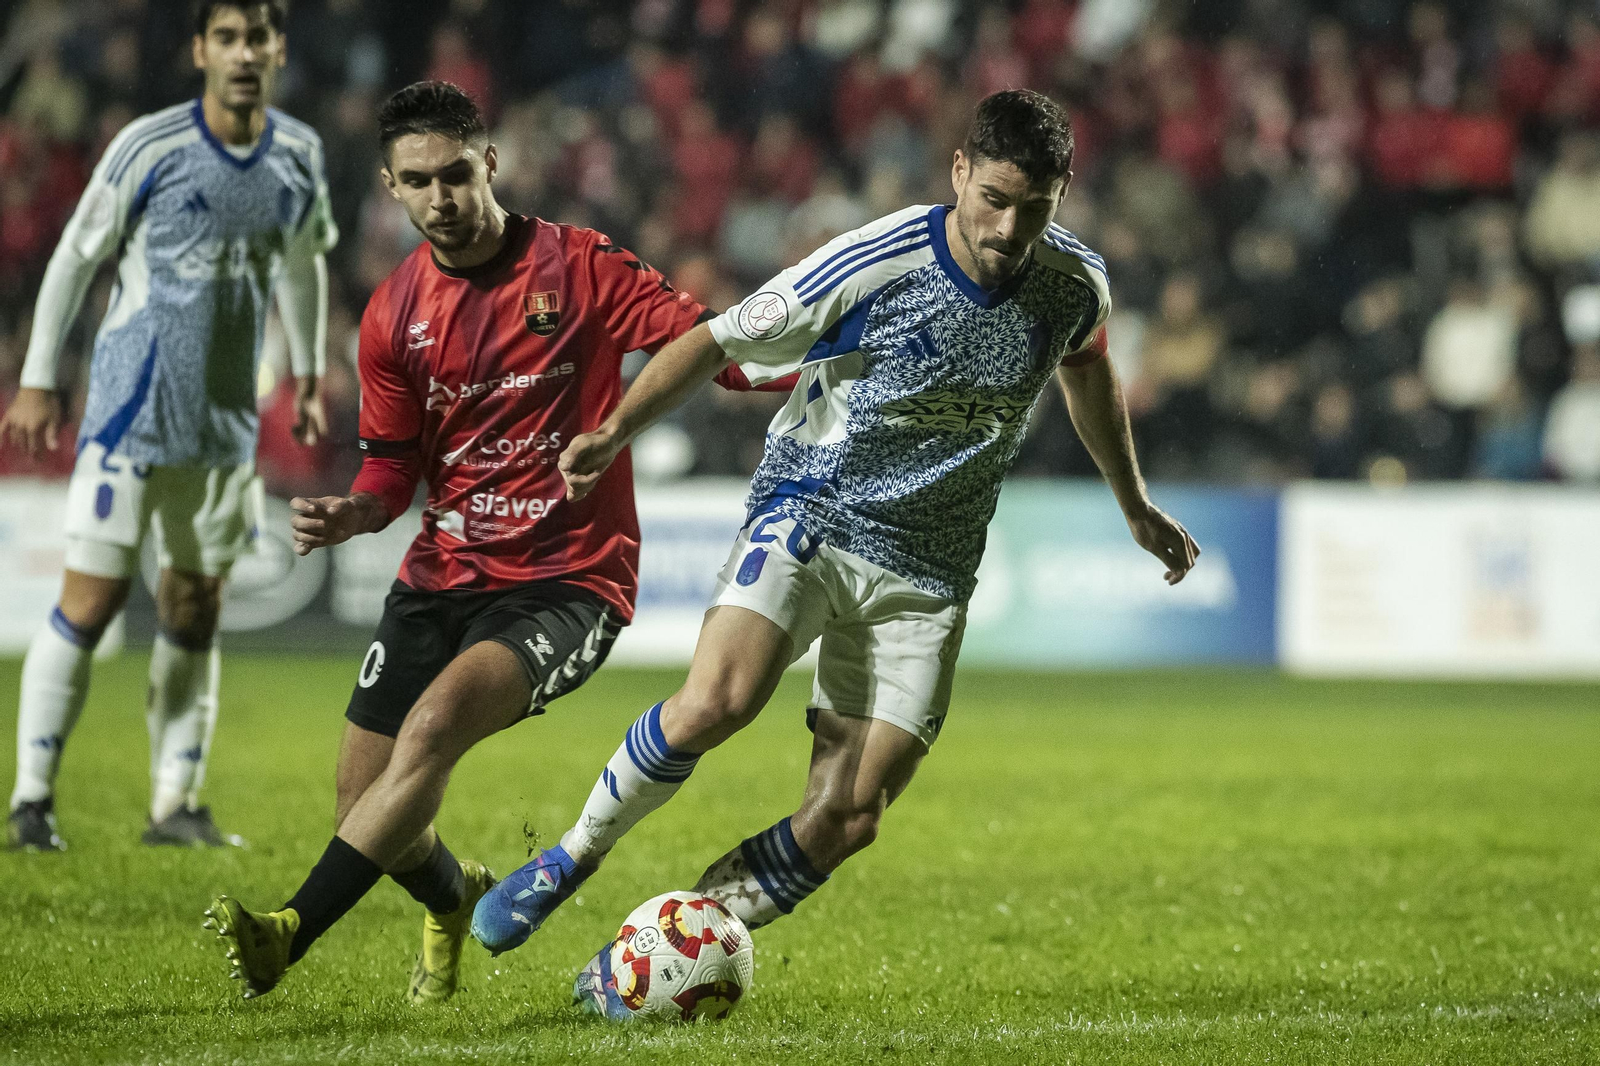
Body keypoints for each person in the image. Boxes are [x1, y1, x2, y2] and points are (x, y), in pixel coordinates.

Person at [469, 91, 1201, 1006]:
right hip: (814, 511)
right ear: (960, 172)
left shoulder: (1073, 285)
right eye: (995, 199)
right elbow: (711, 340)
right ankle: (571, 856)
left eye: (1035, 208)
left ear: (1064, 195)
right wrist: (614, 431)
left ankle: (665, 948)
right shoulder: (874, 261)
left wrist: (1132, 503)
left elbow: (1088, 369)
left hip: (930, 570)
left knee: (849, 816)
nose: (1009, 228)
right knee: (717, 703)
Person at [204, 82, 791, 1004]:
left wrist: (802, 371)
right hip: (441, 572)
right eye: (415, 182)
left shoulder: (580, 265)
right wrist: (358, 512)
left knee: (430, 731)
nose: (439, 198)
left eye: (452, 174)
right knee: (365, 806)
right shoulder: (393, 314)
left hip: (568, 581)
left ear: (489, 164)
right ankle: (453, 897)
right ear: (392, 189)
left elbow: (705, 341)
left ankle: (289, 930)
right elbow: (392, 470)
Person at [1, 1, 335, 851]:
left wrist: (301, 372)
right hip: (130, 410)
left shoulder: (298, 153)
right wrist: (40, 379)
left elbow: (304, 265)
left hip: (221, 427)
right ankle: (31, 800)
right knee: (94, 600)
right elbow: (76, 255)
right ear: (200, 50)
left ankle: (174, 806)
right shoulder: (149, 145)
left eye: (257, 36)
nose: (243, 52)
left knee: (195, 608)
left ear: (278, 48)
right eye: (226, 37)